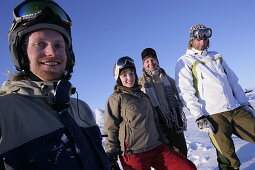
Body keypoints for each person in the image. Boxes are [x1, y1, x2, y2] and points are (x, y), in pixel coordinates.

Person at [0, 0, 109, 169]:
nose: (52, 52)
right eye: (40, 44)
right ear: (22, 54)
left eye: (59, 45)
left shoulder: (82, 109)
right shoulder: (5, 112)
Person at [175, 24, 255, 170]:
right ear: (192, 39)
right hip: (213, 115)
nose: (203, 42)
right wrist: (198, 116)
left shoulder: (216, 56)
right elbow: (186, 92)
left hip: (235, 108)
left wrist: (245, 103)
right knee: (227, 155)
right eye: (199, 38)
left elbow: (233, 82)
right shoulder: (185, 61)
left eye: (206, 38)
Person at [104, 56, 196, 170]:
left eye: (131, 73)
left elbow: (155, 121)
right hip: (134, 153)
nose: (129, 78)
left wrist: (164, 141)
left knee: (188, 167)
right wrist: (111, 152)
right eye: (124, 75)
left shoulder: (144, 96)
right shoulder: (116, 98)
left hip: (156, 147)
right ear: (118, 78)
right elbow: (111, 128)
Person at [138, 48, 188, 157]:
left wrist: (179, 105)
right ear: (143, 65)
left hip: (174, 121)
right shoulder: (140, 82)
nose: (151, 63)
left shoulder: (165, 77)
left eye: (153, 60)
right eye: (147, 61)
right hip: (157, 125)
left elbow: (181, 90)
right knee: (167, 157)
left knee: (182, 153)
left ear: (157, 61)